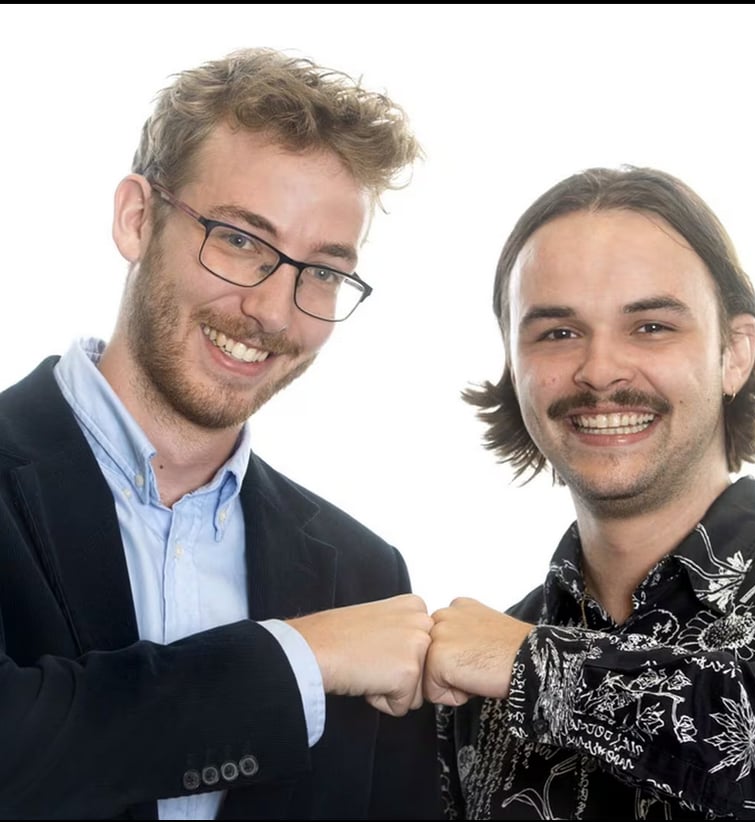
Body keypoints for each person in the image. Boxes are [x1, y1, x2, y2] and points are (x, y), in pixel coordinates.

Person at [0, 47, 442, 820]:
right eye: (241, 241)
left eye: (323, 272)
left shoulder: (366, 577)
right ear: (138, 219)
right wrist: (301, 659)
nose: (274, 312)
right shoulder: (345, 632)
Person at [423, 165, 755, 819]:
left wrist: (534, 669)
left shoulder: (500, 656)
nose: (600, 369)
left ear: (734, 352)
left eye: (651, 327)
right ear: (515, 367)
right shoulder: (467, 678)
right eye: (557, 333)